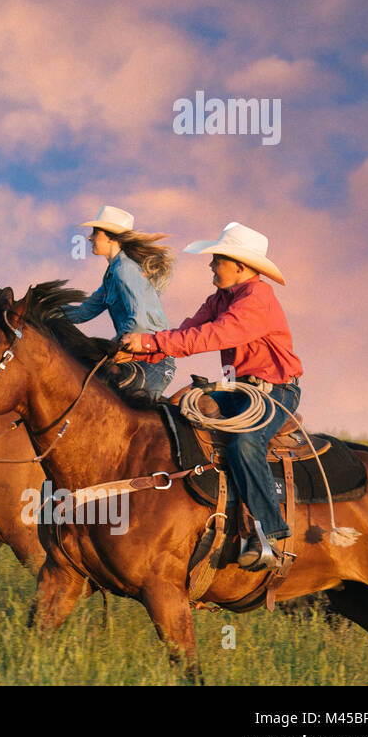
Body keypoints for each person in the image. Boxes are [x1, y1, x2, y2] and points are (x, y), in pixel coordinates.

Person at [121, 222, 302, 571]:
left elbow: (214, 335)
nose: (210, 265)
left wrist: (147, 342)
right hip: (240, 390)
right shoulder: (220, 298)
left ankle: (268, 534)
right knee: (173, 415)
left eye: (217, 259)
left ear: (240, 266)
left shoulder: (257, 299)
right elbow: (188, 332)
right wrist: (139, 354)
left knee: (245, 443)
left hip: (275, 391)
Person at [62, 205, 176, 399]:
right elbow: (82, 313)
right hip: (135, 357)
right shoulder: (112, 274)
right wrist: (43, 308)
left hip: (154, 362)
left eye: (95, 233)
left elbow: (138, 321)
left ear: (112, 238)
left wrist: (110, 348)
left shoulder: (125, 269)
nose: (89, 238)